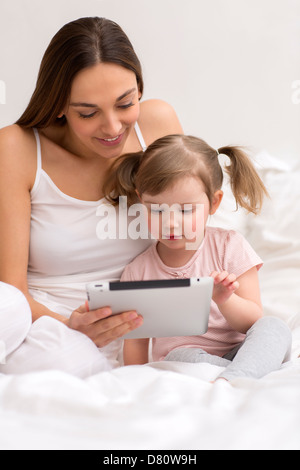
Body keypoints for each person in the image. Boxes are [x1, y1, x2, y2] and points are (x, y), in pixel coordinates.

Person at [0, 17, 182, 376]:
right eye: (88, 113)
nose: (113, 128)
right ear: (59, 106)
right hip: (45, 321)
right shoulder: (17, 149)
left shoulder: (157, 126)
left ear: (140, 91)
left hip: (135, 327)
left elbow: (194, 240)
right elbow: (13, 290)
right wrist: (69, 325)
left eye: (126, 104)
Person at [104, 134, 292, 381]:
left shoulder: (229, 246)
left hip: (241, 353)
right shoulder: (138, 271)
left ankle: (233, 378)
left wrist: (225, 299)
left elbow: (252, 322)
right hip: (187, 361)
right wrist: (133, 382)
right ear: (141, 201)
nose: (170, 223)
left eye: (185, 210)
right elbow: (136, 345)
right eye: (157, 209)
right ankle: (235, 379)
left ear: (214, 203)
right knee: (179, 355)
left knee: (274, 327)